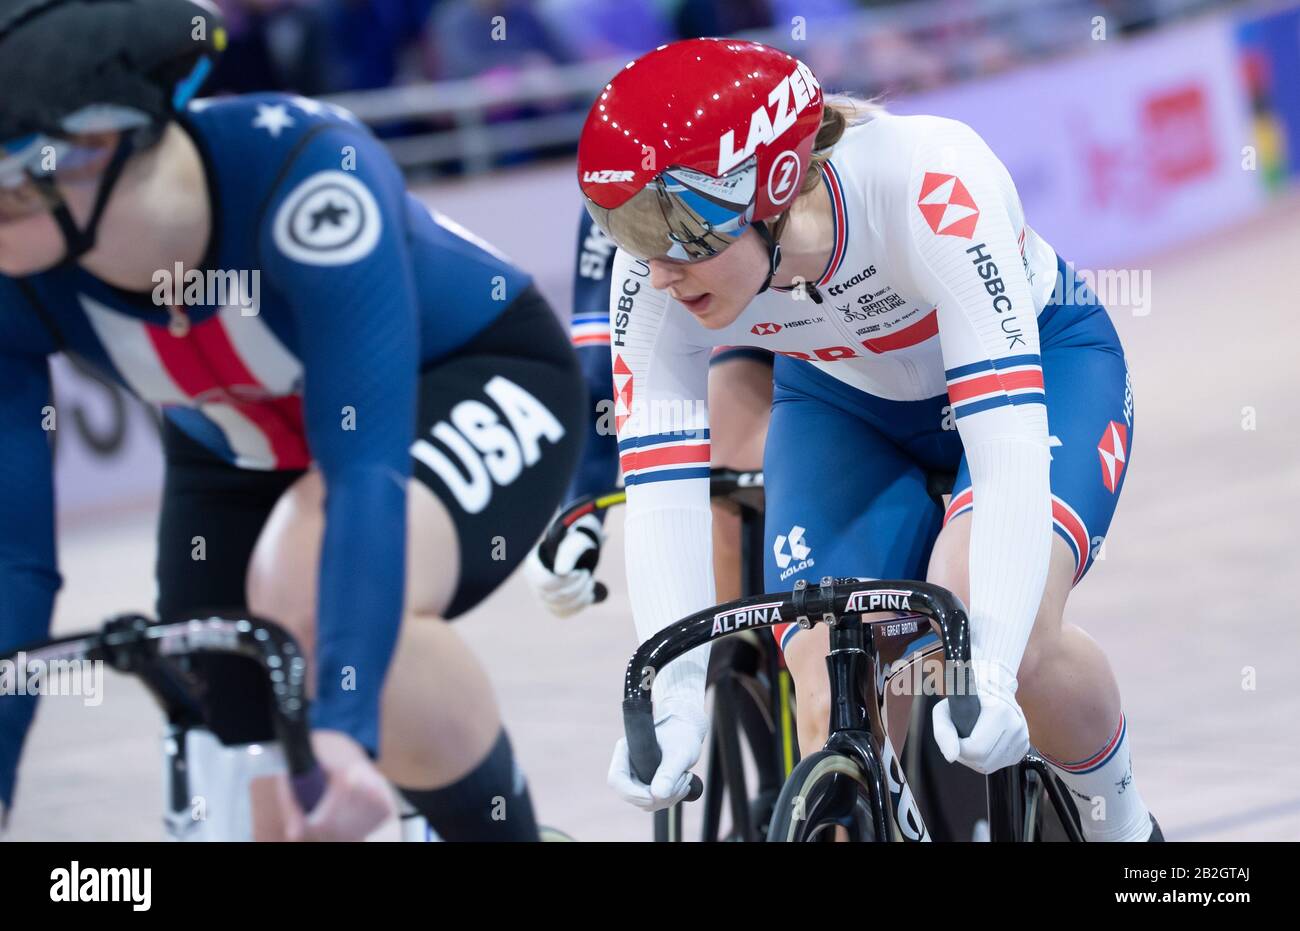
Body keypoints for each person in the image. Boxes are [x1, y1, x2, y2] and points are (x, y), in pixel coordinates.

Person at [0, 0, 584, 841]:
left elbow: (363, 474)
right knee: (248, 781)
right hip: (232, 447)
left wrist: (345, 725)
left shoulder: (310, 178)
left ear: (95, 150)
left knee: (309, 603)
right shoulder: (20, 270)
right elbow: (15, 563)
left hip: (466, 375)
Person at [581, 38, 1161, 841]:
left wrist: (986, 663)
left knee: (1006, 633)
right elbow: (662, 490)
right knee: (825, 685)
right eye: (624, 226)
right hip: (844, 399)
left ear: (773, 186)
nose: (655, 269)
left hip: (1040, 364)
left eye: (675, 227)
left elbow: (1006, 443)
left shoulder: (929, 180)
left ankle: (1129, 838)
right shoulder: (652, 277)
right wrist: (675, 703)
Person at [525, 206, 773, 616]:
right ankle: (733, 651)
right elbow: (601, 375)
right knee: (726, 470)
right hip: (740, 333)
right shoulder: (611, 197)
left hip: (810, 304)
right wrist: (581, 512)